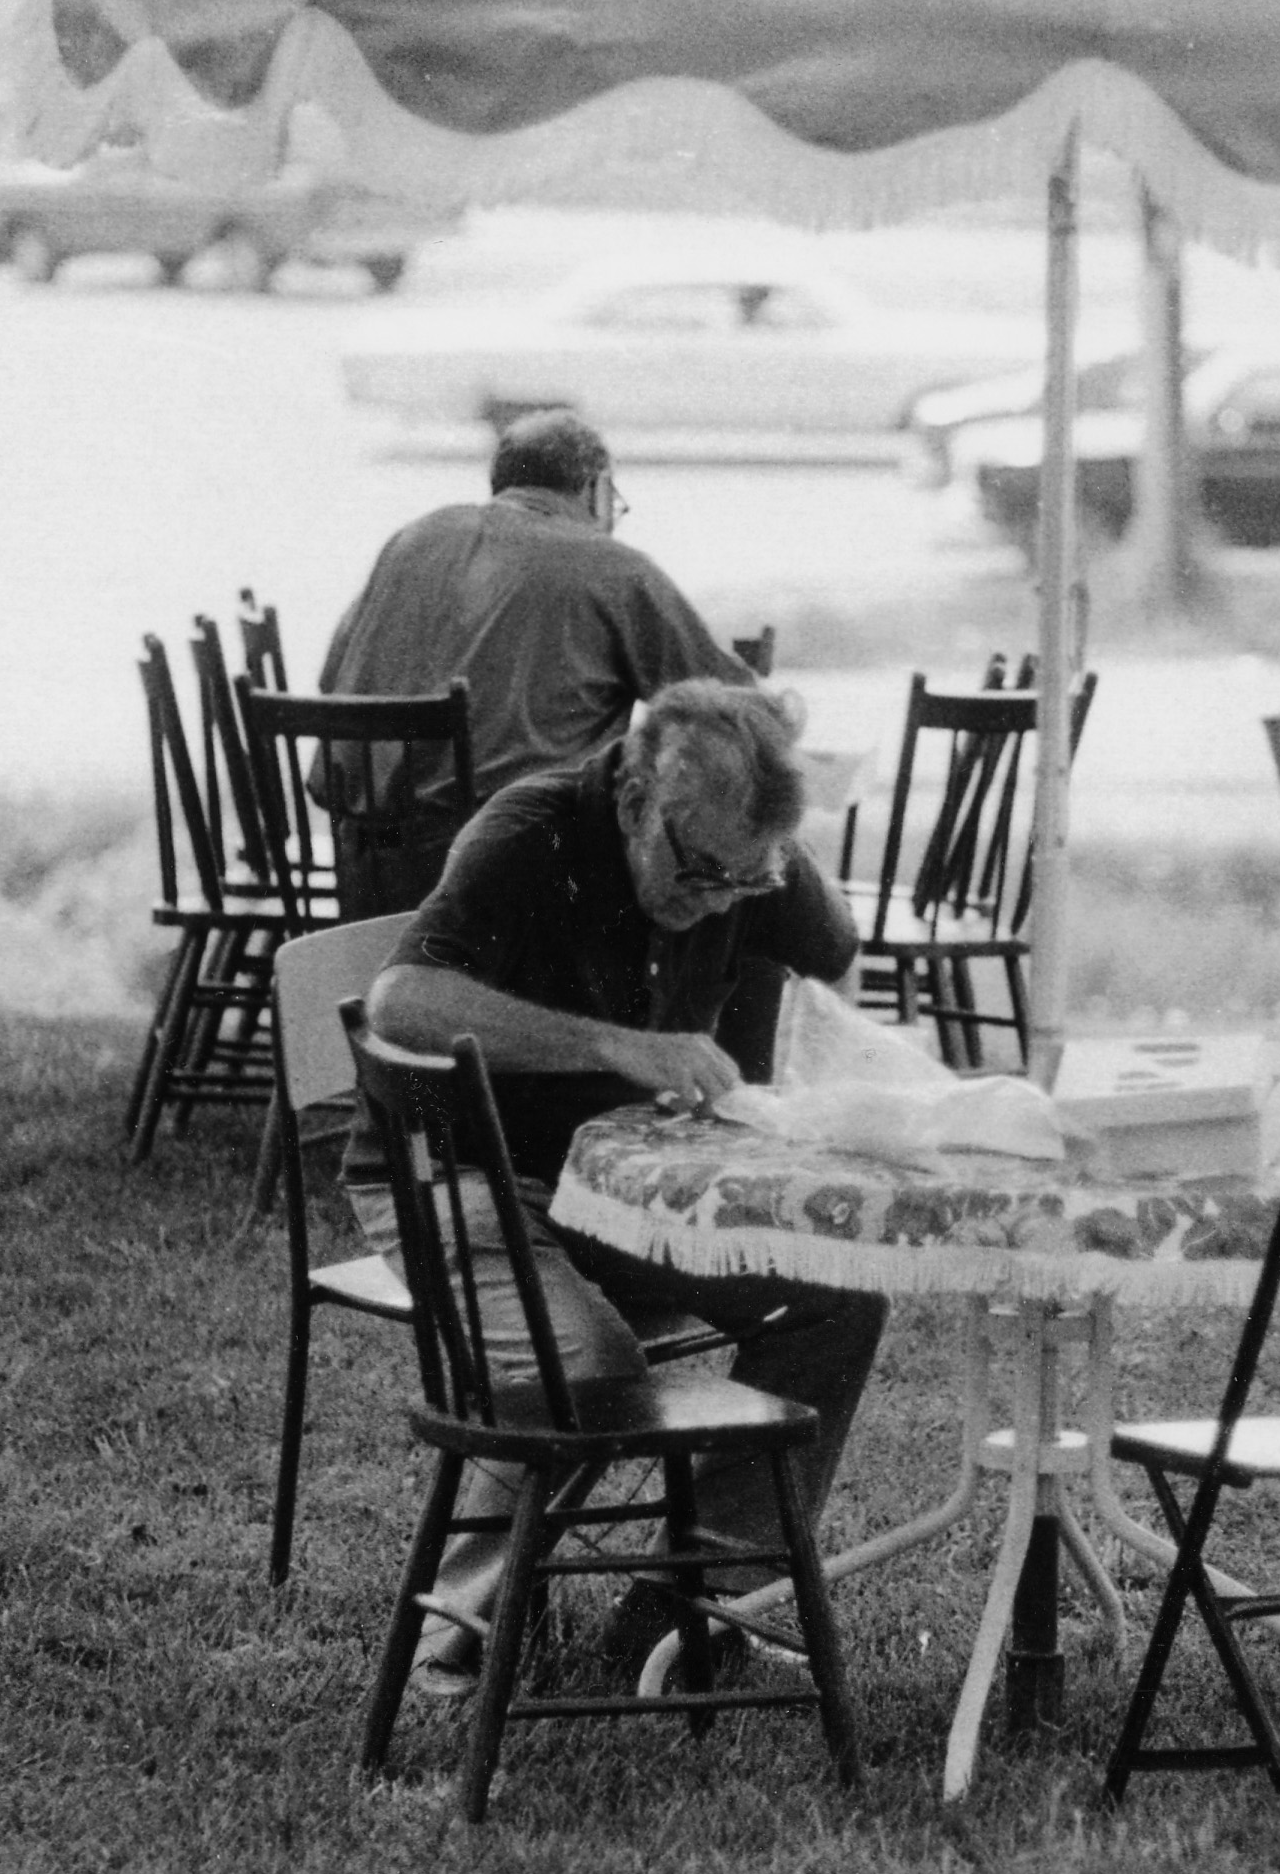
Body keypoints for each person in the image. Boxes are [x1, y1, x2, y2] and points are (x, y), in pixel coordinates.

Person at [341, 677, 885, 1690]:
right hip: (464, 1169)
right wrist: (611, 1044)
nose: (713, 899)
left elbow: (835, 945)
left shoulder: (735, 859)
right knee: (584, 1367)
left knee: (836, 1295)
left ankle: (693, 1609)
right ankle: (459, 1630)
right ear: (636, 799)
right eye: (699, 871)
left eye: (740, 881)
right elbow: (402, 1000)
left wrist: (771, 844)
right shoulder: (529, 832)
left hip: (619, 1185)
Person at [316, 407, 760, 917]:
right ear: (597, 489)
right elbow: (731, 707)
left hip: (369, 871)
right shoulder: (611, 569)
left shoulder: (412, 539)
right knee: (705, 876)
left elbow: (332, 678)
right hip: (513, 883)